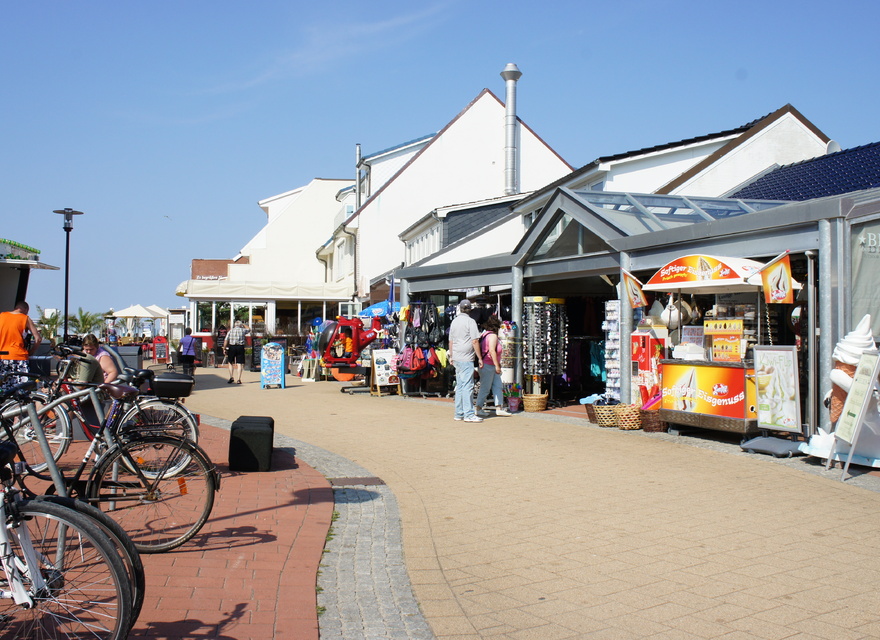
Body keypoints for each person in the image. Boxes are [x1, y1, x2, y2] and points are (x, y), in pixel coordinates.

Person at [447, 299, 483, 423]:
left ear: (460, 309)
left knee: (461, 385)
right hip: (466, 357)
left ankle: (459, 413)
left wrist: (451, 356)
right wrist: (480, 357)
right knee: (468, 386)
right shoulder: (471, 321)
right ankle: (468, 414)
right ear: (470, 310)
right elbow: (475, 341)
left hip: (457, 356)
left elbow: (451, 341)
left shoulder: (454, 322)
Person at [0, 301, 42, 392]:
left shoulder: (2, 316)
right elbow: (38, 338)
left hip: (2, 356)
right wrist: (31, 351)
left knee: (4, 387)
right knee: (21, 389)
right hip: (19, 357)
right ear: (26, 309)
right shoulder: (25, 318)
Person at [474, 316, 512, 417]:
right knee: (486, 388)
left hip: (489, 365)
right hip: (489, 365)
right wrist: (497, 365)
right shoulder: (493, 336)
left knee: (497, 386)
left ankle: (499, 407)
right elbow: (492, 351)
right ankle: (478, 407)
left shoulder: (484, 334)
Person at [223, 320, 250, 384]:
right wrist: (243, 324)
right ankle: (238, 379)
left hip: (232, 347)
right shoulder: (243, 330)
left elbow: (226, 340)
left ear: (234, 325)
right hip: (240, 347)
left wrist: (224, 348)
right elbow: (249, 329)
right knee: (239, 363)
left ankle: (231, 377)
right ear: (240, 325)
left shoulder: (230, 331)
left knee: (230, 362)